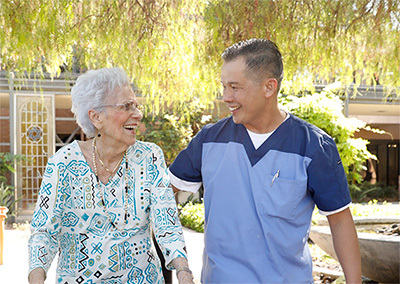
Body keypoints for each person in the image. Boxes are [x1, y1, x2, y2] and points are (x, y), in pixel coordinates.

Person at [168, 39, 362, 283]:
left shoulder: (313, 146)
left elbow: (340, 221)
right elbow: (161, 198)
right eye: (224, 86)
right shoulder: (208, 140)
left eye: (235, 87)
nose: (226, 97)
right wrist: (180, 265)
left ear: (269, 87)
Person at [28, 67, 194, 284]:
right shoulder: (63, 163)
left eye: (135, 105)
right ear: (96, 117)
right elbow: (44, 232)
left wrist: (184, 273)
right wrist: (36, 278)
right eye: (126, 106)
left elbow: (166, 224)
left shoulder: (149, 157)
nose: (138, 114)